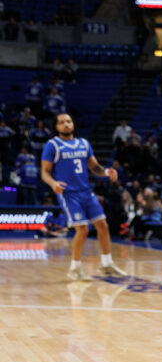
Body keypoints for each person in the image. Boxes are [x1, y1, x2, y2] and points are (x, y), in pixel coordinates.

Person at [39, 113, 128, 280]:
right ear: (56, 127)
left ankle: (107, 264)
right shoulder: (52, 145)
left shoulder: (84, 143)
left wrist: (107, 172)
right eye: (62, 122)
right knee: (83, 229)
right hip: (69, 194)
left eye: (69, 121)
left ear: (73, 124)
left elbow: (95, 168)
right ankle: (75, 268)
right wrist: (53, 184)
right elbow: (44, 172)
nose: (66, 124)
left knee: (103, 225)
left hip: (86, 191)